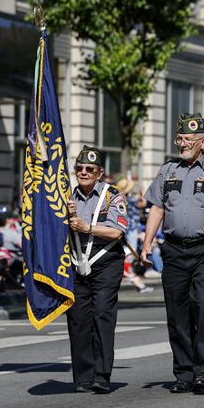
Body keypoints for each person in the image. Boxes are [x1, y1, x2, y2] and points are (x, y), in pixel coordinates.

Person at [141, 113, 204, 395]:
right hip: (173, 251)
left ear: (201, 142)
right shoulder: (167, 170)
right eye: (179, 138)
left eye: (188, 139)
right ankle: (183, 373)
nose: (182, 144)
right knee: (177, 313)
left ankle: (202, 373)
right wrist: (147, 243)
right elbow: (157, 208)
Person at [66, 146, 129, 393]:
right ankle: (83, 376)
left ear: (99, 173)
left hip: (105, 260)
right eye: (79, 169)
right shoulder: (67, 196)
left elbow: (116, 231)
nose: (83, 173)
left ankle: (101, 375)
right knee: (78, 319)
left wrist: (85, 227)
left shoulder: (112, 196)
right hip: (76, 260)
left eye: (89, 169)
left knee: (102, 314)